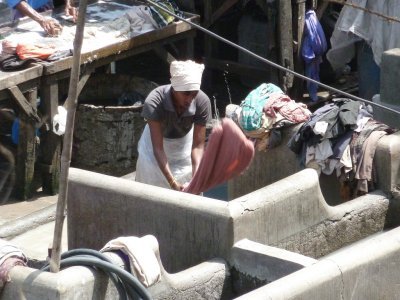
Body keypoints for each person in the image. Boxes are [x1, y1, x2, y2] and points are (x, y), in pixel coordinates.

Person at [135, 60, 212, 191]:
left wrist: (196, 178)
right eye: (186, 94)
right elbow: (158, 149)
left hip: (184, 147)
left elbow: (198, 147)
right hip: (154, 150)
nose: (190, 99)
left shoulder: (202, 102)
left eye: (194, 94)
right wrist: (172, 182)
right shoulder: (154, 101)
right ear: (175, 88)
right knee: (151, 191)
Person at [6, 0, 77, 36]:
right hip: (24, 11)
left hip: (46, 7)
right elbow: (16, 1)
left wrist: (69, 4)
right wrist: (42, 20)